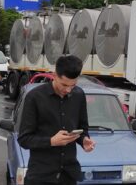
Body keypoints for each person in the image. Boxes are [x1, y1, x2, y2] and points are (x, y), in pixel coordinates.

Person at [17, 55, 95, 185]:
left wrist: (84, 140)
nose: (68, 90)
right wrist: (51, 141)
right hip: (40, 176)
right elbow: (24, 139)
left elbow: (83, 128)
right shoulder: (34, 97)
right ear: (54, 75)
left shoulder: (79, 95)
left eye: (73, 85)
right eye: (64, 84)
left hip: (69, 175)